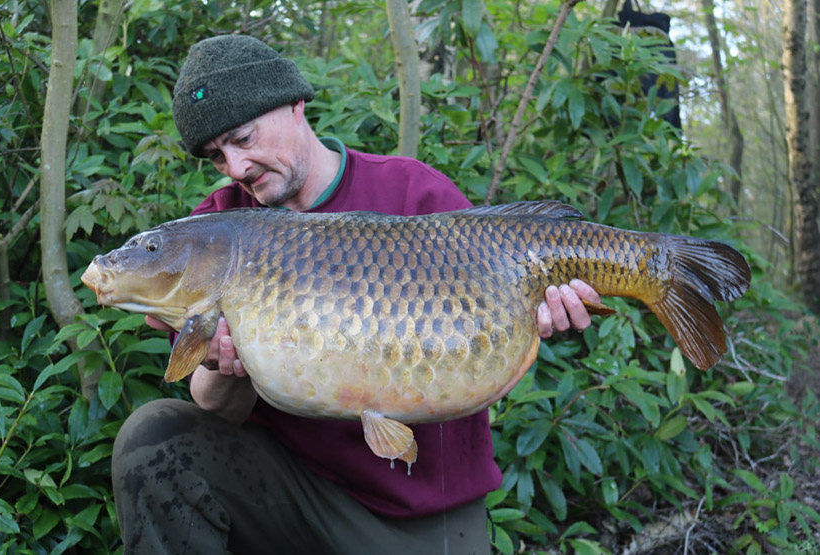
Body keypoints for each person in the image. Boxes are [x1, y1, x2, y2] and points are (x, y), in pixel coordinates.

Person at [111, 35, 602, 554]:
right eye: (216, 156)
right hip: (294, 496)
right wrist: (217, 360)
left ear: (295, 105)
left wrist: (541, 312)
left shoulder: (414, 193)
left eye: (243, 137)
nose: (236, 167)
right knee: (152, 438)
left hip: (421, 512)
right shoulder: (219, 229)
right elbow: (217, 410)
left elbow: (494, 300)